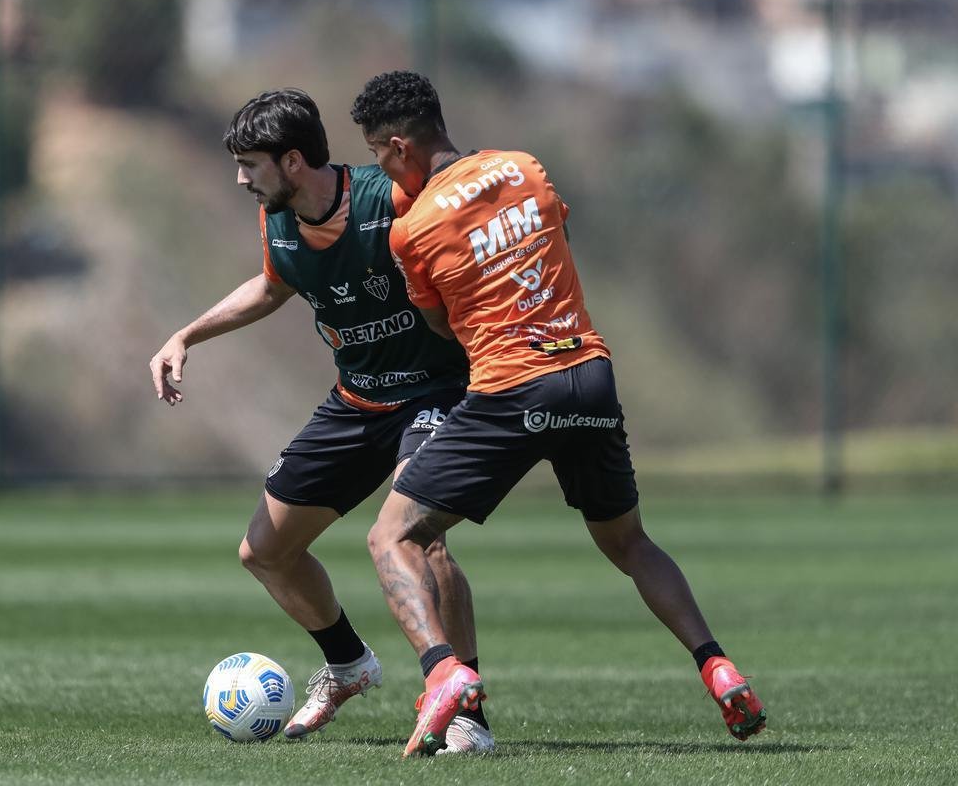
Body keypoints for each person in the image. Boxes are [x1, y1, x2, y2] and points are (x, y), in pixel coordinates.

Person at [350, 70, 767, 758]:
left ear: (399, 147)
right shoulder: (525, 166)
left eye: (378, 154)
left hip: (512, 389)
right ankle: (716, 664)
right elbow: (547, 239)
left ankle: (443, 674)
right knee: (630, 543)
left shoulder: (412, 230)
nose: (379, 167)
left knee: (393, 534)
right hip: (589, 374)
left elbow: (440, 326)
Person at [150, 88, 494, 751]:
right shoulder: (279, 220)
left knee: (419, 538)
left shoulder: (387, 199)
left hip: (438, 393)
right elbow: (273, 285)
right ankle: (348, 665)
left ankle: (468, 712)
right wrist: (185, 336)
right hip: (358, 399)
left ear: (295, 160)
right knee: (265, 551)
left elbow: (466, 237)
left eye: (251, 165)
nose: (241, 179)